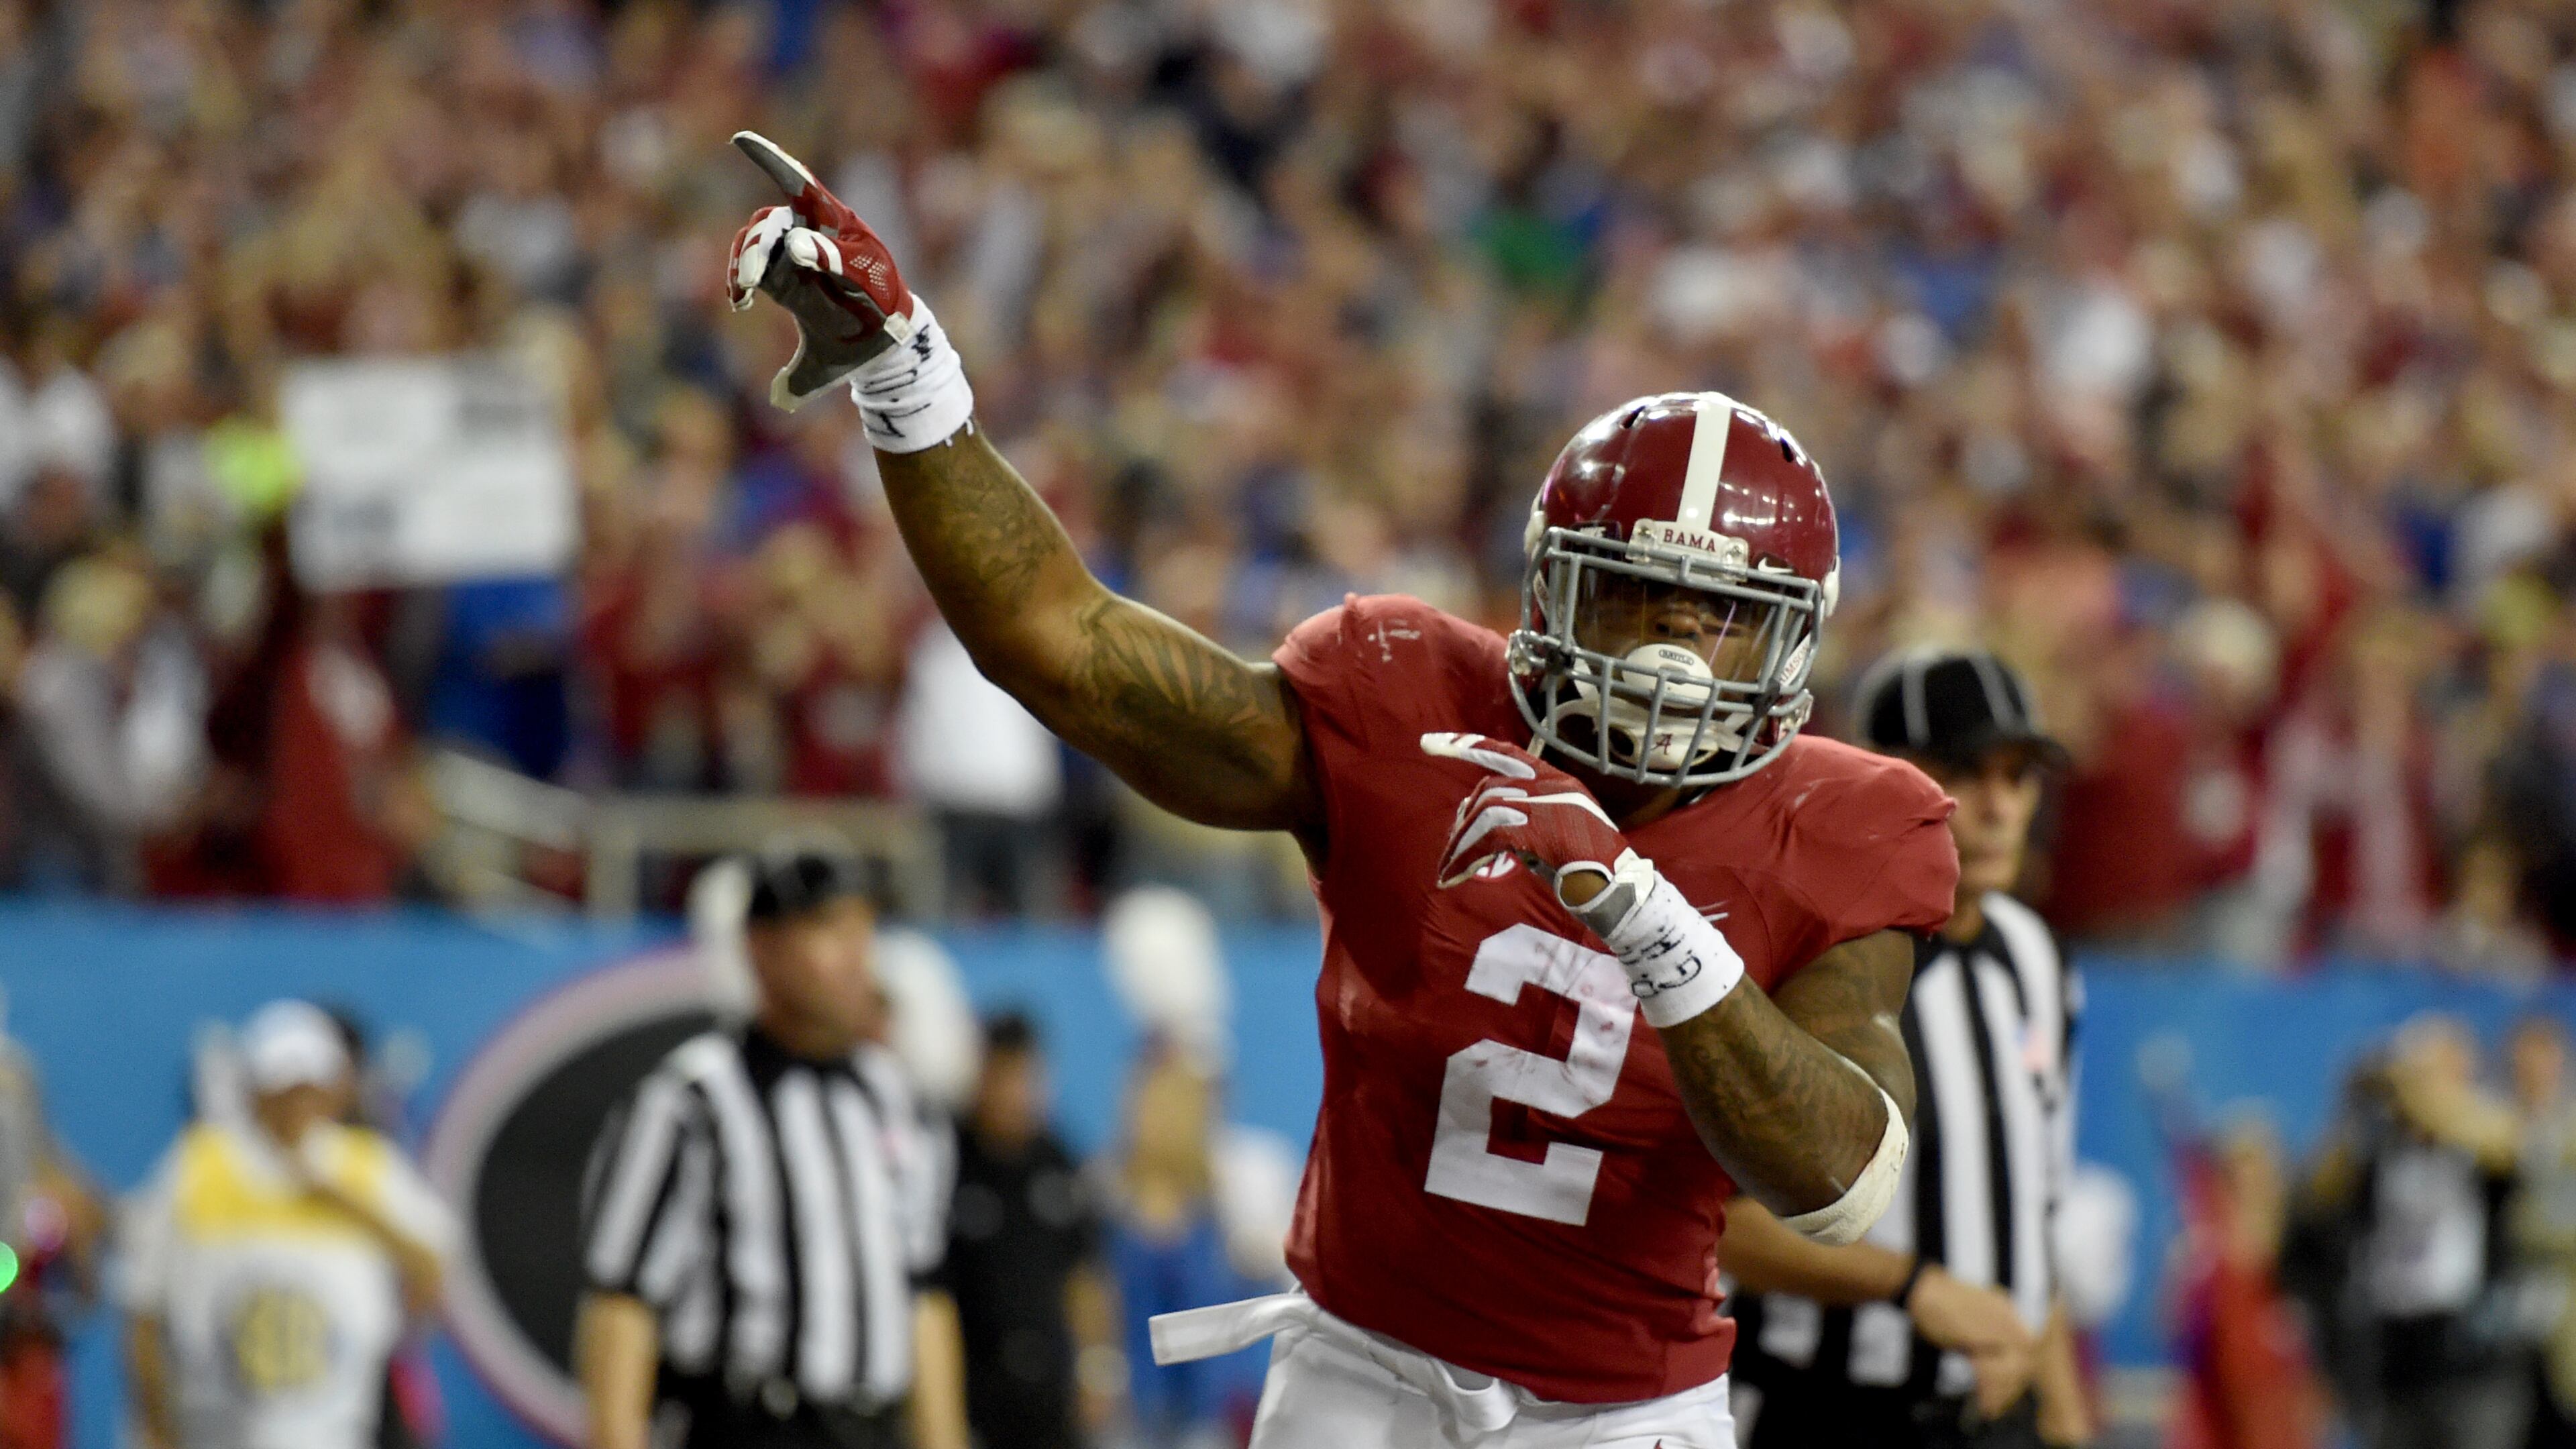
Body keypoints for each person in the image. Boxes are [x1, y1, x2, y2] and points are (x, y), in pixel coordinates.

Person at [724, 136, 1958, 1448]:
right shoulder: (1413, 700)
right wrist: (909, 380)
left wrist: (1644, 918)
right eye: (1632, 596)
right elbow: (1063, 647)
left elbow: (1838, 1175)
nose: (1664, 653)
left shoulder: (1851, 822)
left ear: (1790, 642)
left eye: (1716, 618)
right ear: (1550, 589)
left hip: (1623, 1413)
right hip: (1362, 1372)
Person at [1722, 649, 2088, 1449]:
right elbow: (1719, 1224)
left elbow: (2034, 1216)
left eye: (2019, 776)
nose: (1998, 807)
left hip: (1993, 1419)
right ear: (1883, 781)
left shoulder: (2038, 961)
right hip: (1828, 1412)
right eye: (1965, 771)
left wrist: (2063, 1413)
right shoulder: (1806, 952)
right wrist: (1910, 1286)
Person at [575, 852, 969, 1449]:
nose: (856, 954)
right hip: (747, 1428)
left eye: (862, 929)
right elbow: (622, 1307)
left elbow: (922, 1300)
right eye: (828, 929)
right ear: (761, 946)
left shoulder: (898, 1100)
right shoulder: (689, 1102)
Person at [122, 1000, 453, 1449]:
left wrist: (346, 1206)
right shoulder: (200, 1164)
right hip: (214, 1430)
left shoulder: (366, 1166)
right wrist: (156, 1424)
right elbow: (141, 1304)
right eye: (284, 1087)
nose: (298, 1103)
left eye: (311, 1087)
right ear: (255, 1089)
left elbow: (431, 1267)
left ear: (338, 1089)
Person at [939, 1013, 1118, 1449]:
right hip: (973, 1384)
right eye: (1005, 1076)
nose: (1016, 1094)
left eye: (1026, 1078)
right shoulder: (948, 1159)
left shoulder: (1058, 1162)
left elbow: (1086, 1275)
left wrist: (1098, 1368)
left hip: (1048, 1385)